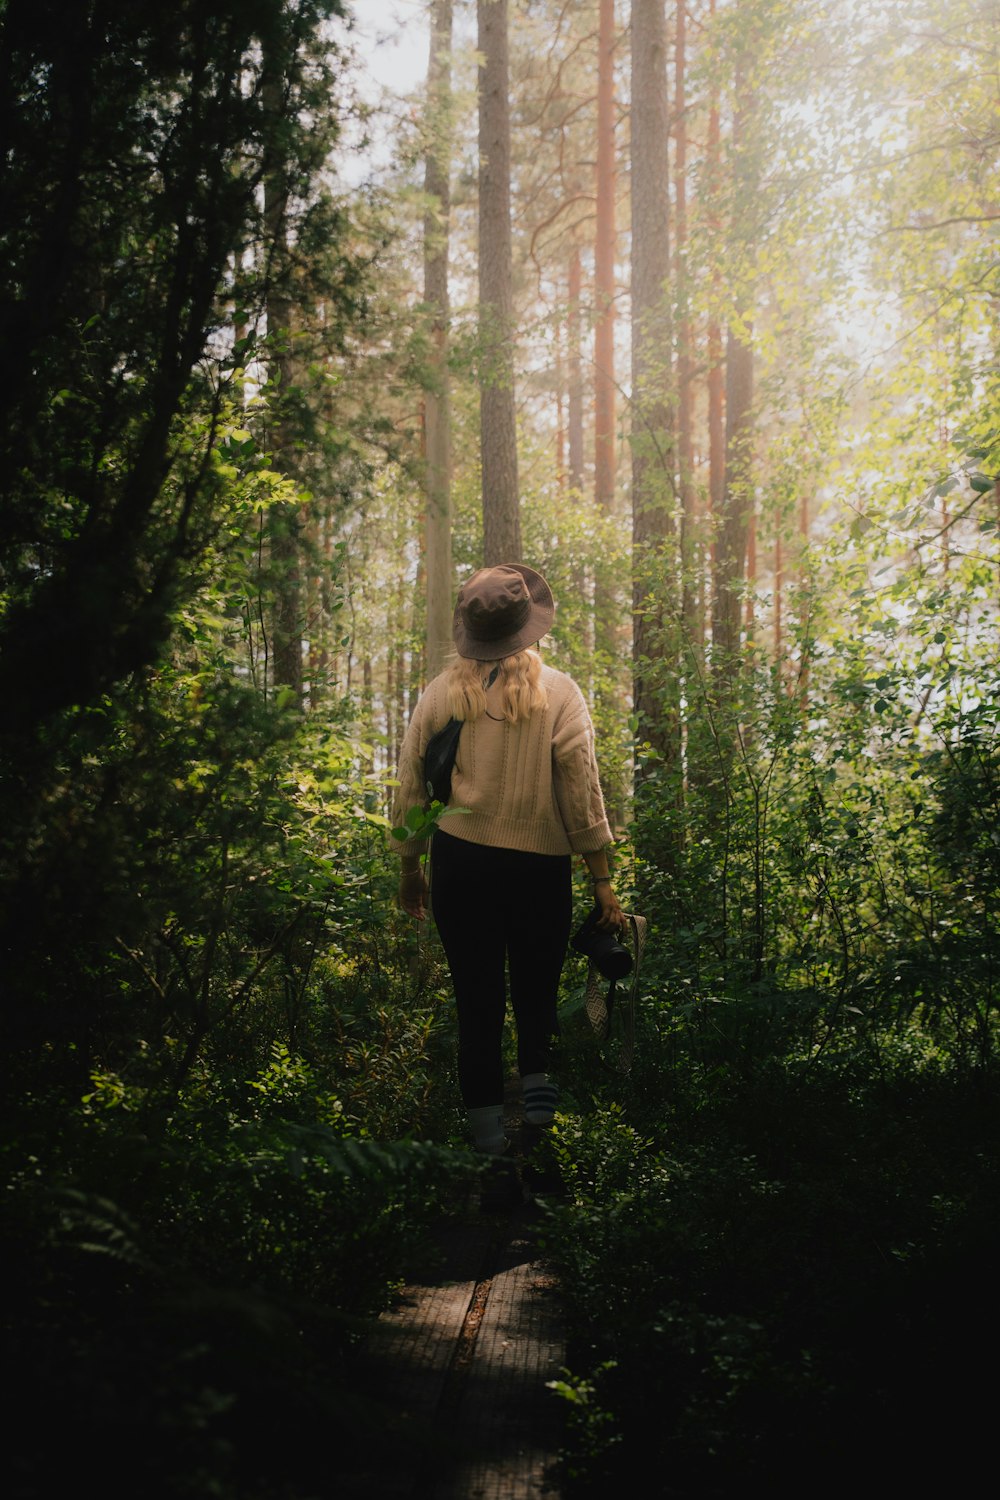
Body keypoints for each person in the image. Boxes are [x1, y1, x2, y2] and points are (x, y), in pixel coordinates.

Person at [392, 562, 624, 1156]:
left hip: (461, 867)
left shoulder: (440, 695)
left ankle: (491, 1156)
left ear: (470, 628)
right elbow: (581, 789)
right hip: (539, 873)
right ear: (530, 626)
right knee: (536, 1004)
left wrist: (410, 870)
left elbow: (411, 790)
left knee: (477, 1007)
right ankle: (539, 1148)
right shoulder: (561, 694)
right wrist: (601, 880)